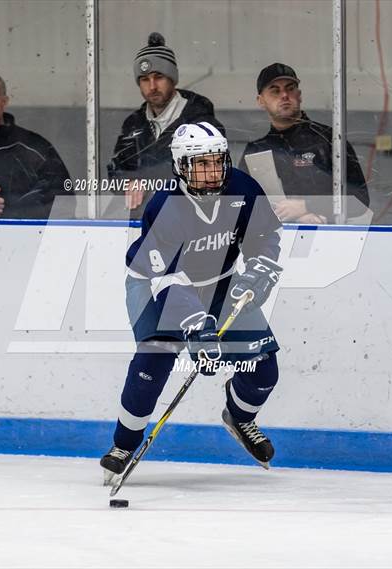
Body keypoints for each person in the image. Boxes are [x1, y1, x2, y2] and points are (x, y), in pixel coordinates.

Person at [100, 122, 283, 484]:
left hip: (221, 283)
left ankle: (240, 417)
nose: (211, 171)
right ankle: (124, 444)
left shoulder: (243, 188)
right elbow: (167, 280)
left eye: (216, 161)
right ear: (180, 166)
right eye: (200, 164)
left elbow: (265, 235)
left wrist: (260, 267)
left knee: (264, 371)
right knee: (153, 364)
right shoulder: (166, 206)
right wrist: (197, 327)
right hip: (156, 286)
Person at [106, 32, 225, 219]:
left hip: (193, 220)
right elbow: (115, 170)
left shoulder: (200, 119)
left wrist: (145, 180)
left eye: (158, 76)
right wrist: (128, 182)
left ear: (173, 78)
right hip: (143, 221)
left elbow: (204, 170)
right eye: (144, 79)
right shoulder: (134, 124)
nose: (152, 86)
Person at [239, 63, 370, 224]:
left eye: (290, 88)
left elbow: (360, 200)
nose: (284, 95)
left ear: (299, 95)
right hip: (274, 243)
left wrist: (307, 206)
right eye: (275, 90)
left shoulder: (329, 140)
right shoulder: (256, 151)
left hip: (330, 239)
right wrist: (299, 217)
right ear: (261, 101)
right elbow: (240, 205)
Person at [0, 72, 74, 219]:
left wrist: (12, 214)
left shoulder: (34, 148)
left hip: (25, 239)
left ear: (4, 102)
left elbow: (64, 201)